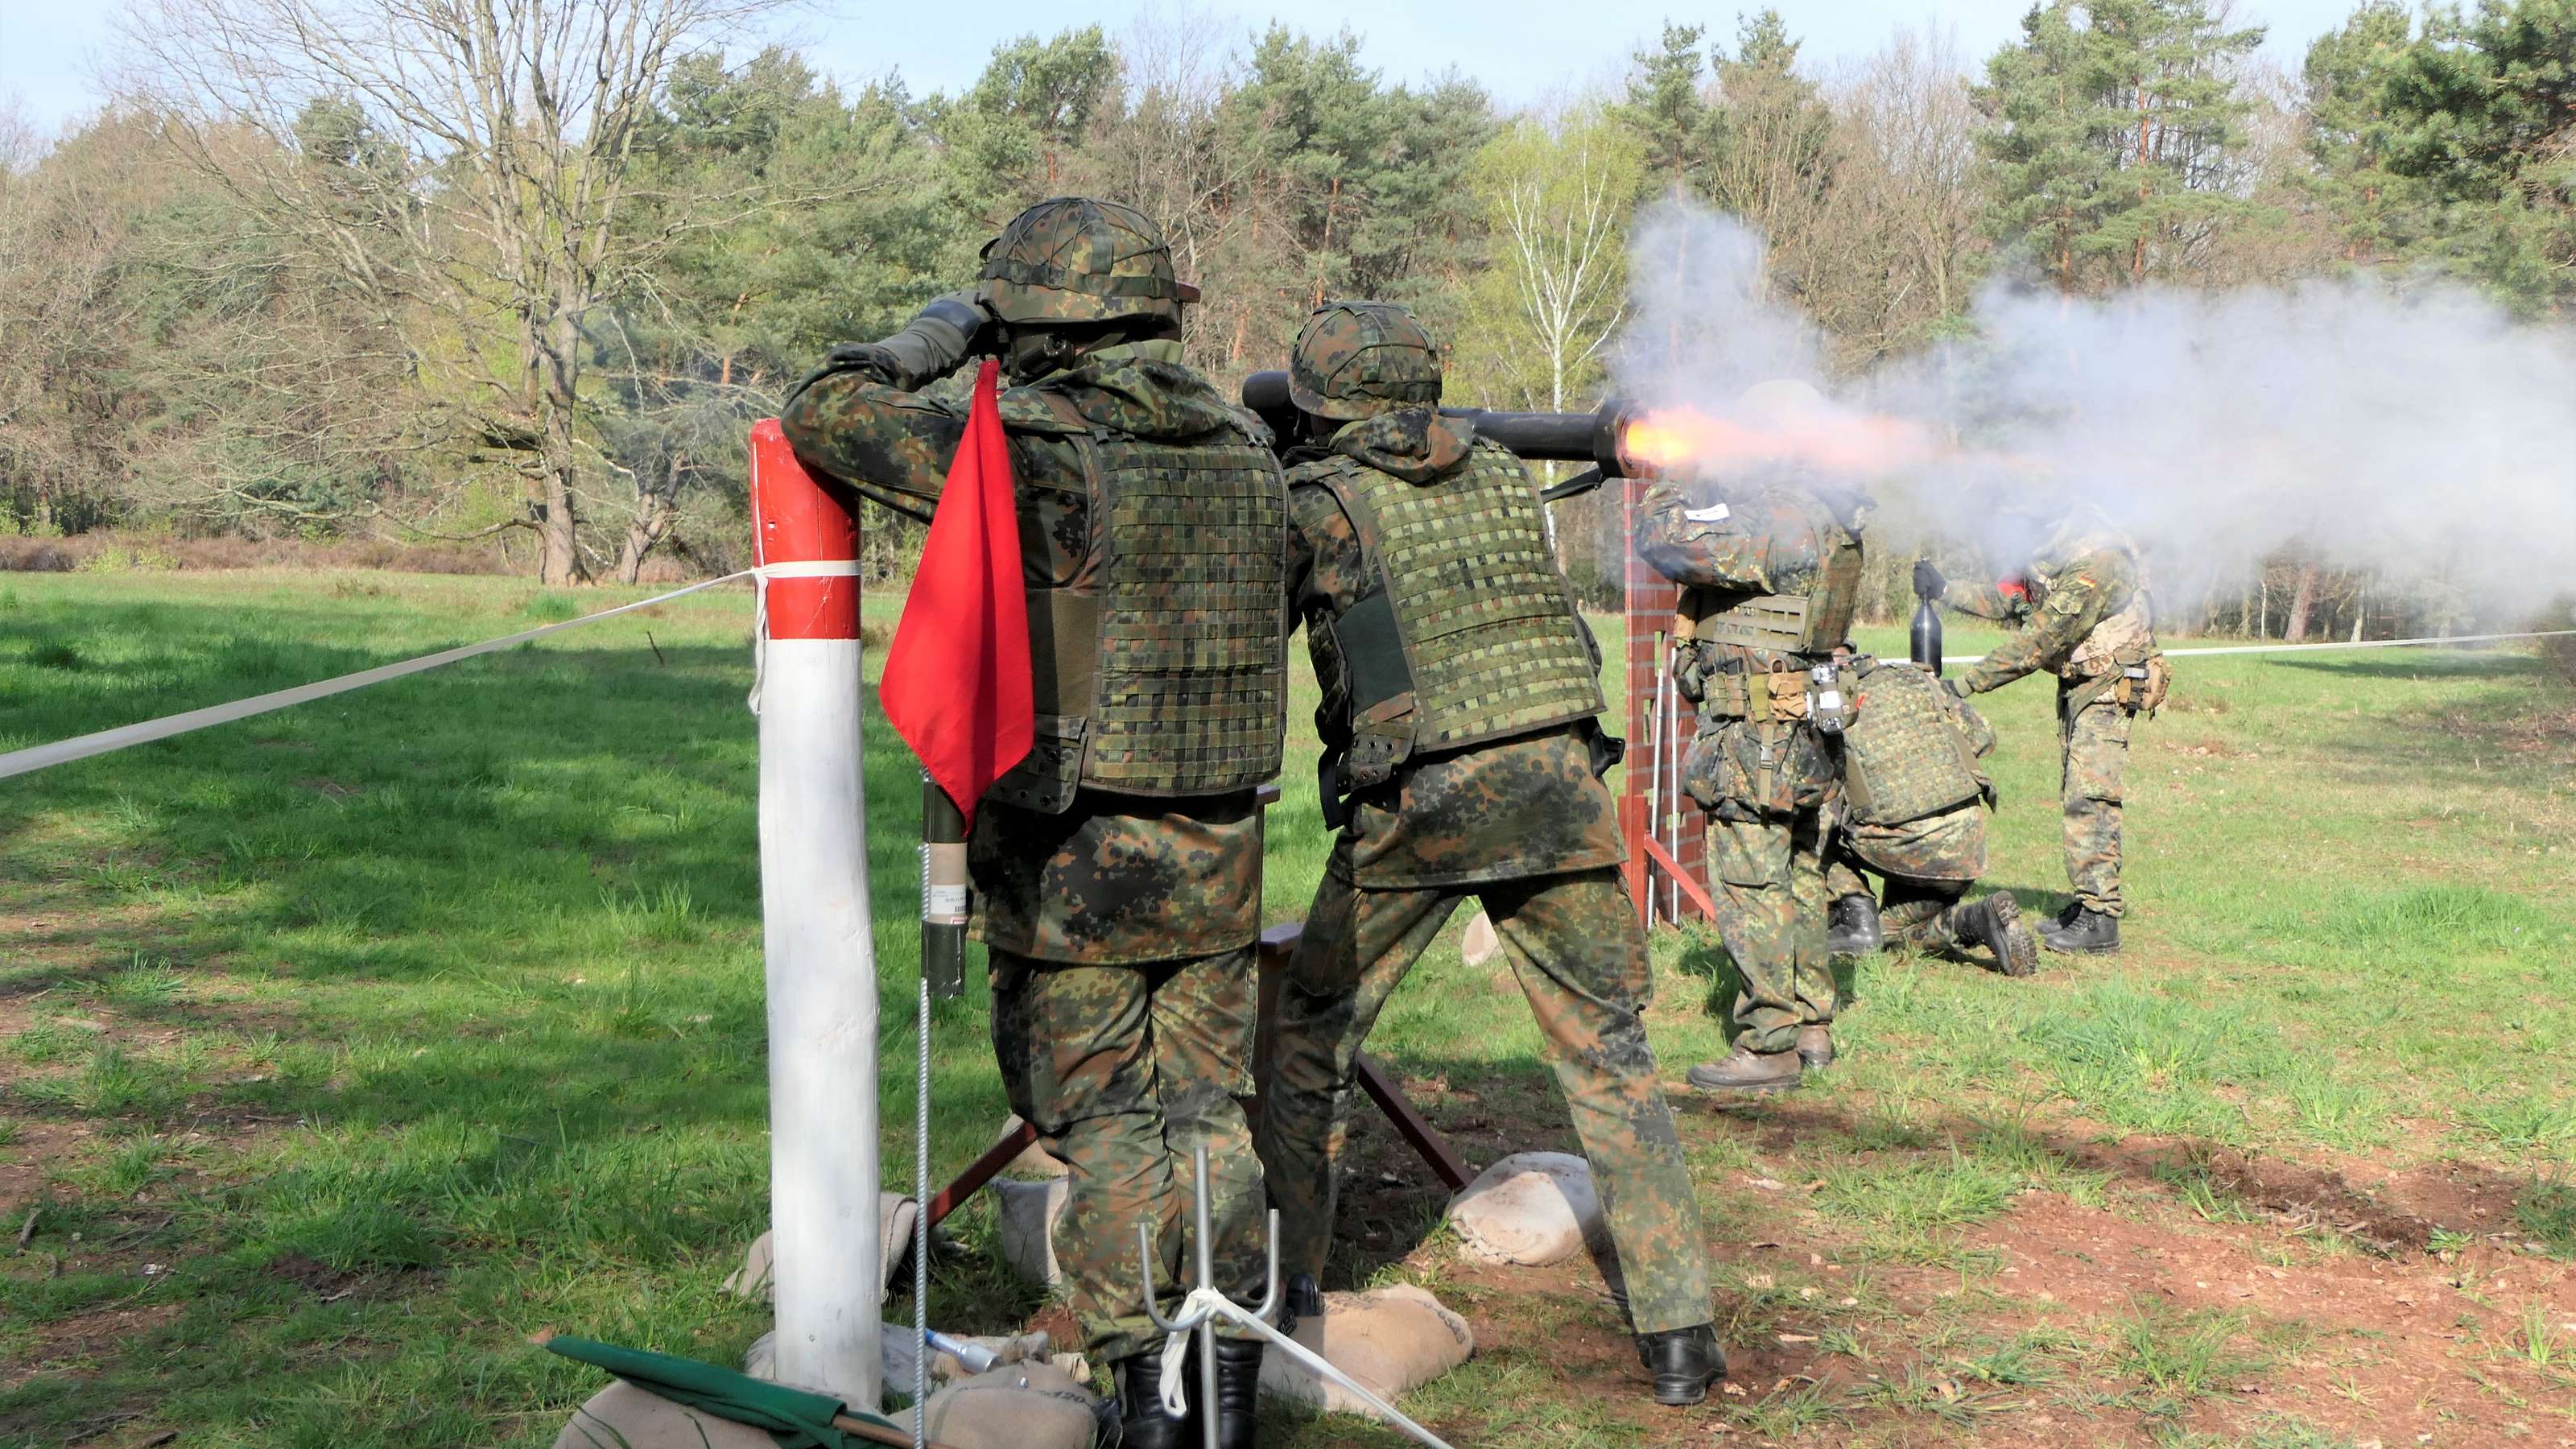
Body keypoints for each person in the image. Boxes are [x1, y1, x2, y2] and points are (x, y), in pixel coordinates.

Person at [780, 196, 1286, 1449]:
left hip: (1075, 849)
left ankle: (1145, 1401)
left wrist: (937, 335)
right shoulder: (1244, 447)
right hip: (1218, 830)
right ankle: (1224, 1394)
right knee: (1210, 1109)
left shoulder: (1032, 448)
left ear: (1035, 321)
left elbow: (825, 413)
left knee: (1109, 1120)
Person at [1256, 300, 1724, 1407]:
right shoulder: (1505, 473)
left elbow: (1257, 621)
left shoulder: (1318, 501)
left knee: (1310, 1049)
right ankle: (1683, 1339)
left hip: (1423, 803)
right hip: (1563, 792)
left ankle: (1281, 1301)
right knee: (1610, 1062)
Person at [1633, 380, 1866, 1093]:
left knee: (1749, 885)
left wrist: (1675, 477)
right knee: (1797, 877)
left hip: (1757, 737)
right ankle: (1812, 1024)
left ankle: (1769, 1043)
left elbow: (1665, 542)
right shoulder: (1822, 510)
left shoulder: (1780, 519)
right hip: (1798, 729)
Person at [1926, 504, 2166, 956]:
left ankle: (2101, 919)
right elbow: (2010, 600)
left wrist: (1964, 684)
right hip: (2080, 683)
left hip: (2110, 683)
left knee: (2091, 797)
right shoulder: (2044, 549)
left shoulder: (2099, 559)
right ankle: (2085, 904)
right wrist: (1945, 589)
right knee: (2076, 792)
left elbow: (2041, 638)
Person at [1818, 653, 2038, 978]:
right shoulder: (1916, 678)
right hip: (1966, 843)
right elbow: (1982, 737)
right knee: (1897, 931)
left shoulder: (1826, 700)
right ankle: (1978, 920)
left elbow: (1818, 797)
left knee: (1807, 822)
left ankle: (1855, 908)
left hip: (1905, 848)